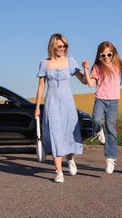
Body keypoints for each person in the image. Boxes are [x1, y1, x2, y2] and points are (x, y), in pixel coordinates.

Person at [35, 33, 87, 183]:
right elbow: (41, 87)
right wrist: (37, 107)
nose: (62, 48)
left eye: (64, 46)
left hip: (68, 104)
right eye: (59, 46)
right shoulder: (44, 63)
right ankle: (58, 172)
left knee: (68, 134)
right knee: (55, 135)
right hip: (52, 104)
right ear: (53, 46)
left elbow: (83, 80)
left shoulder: (70, 61)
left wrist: (86, 69)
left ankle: (70, 159)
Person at [82, 41, 122, 174]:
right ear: (99, 55)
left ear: (113, 54)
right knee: (96, 120)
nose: (106, 58)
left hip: (113, 102)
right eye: (103, 55)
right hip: (100, 99)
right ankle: (99, 131)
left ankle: (110, 159)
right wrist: (86, 69)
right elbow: (89, 84)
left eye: (109, 54)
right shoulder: (97, 67)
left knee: (111, 129)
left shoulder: (117, 65)